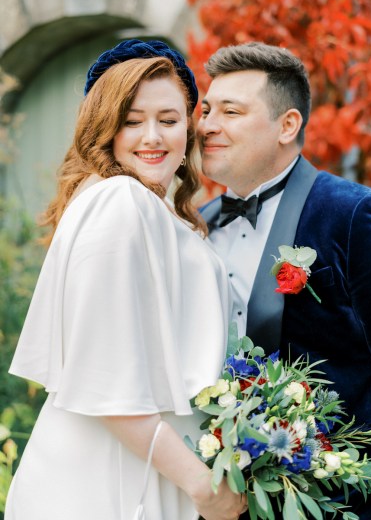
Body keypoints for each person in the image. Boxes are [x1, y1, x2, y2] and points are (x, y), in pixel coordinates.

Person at [5, 39, 248, 520]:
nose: (152, 137)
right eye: (132, 121)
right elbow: (105, 377)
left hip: (149, 471)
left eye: (169, 119)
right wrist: (201, 486)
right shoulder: (119, 201)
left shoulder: (159, 209)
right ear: (105, 129)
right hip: (110, 483)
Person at [197, 42, 371, 520]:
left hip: (346, 501)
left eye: (231, 111)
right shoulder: (197, 228)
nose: (207, 125)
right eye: (206, 110)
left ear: (288, 125)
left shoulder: (354, 215)